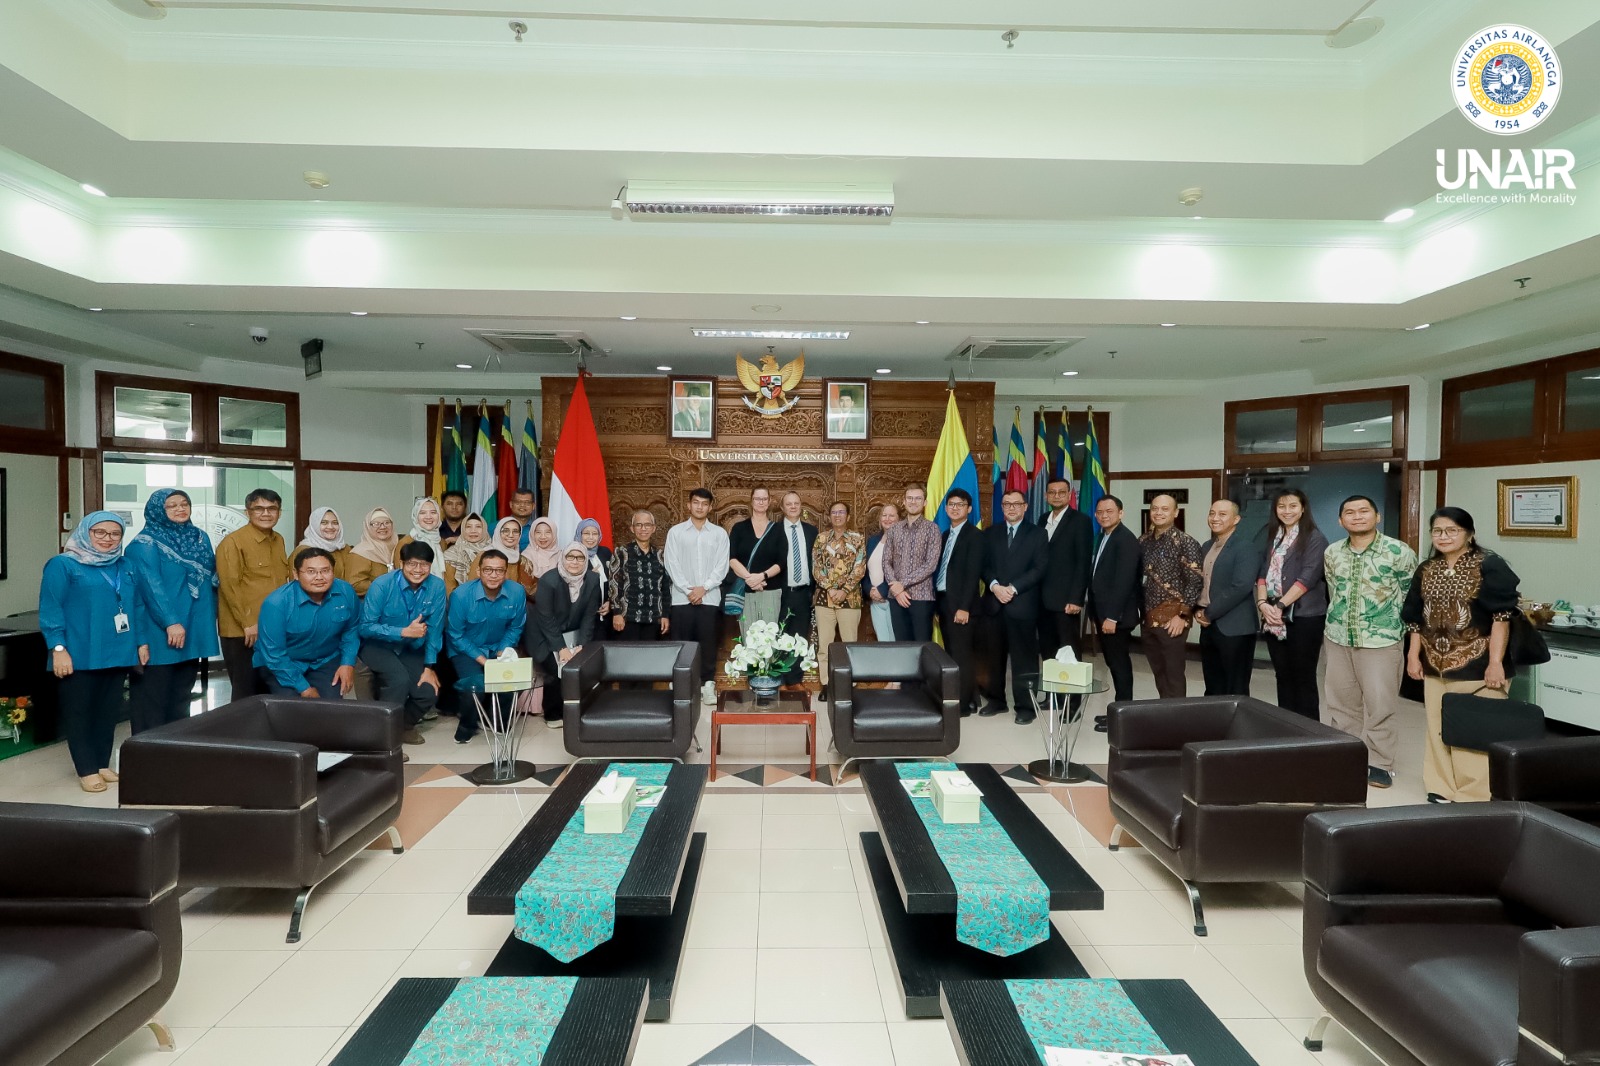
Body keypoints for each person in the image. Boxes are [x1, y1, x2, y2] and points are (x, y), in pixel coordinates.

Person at [1402, 506, 1518, 804]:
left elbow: (1501, 618)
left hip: (1479, 664)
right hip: (1434, 664)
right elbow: (1415, 619)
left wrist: (1495, 664)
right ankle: (1440, 787)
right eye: (1438, 531)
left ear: (1470, 534)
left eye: (1452, 530)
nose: (1444, 536)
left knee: (1475, 730)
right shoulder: (1426, 569)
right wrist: (1413, 656)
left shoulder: (1489, 566)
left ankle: (1474, 794)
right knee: (1437, 727)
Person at [1324, 495, 1418, 789]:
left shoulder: (1398, 552)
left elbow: (1410, 597)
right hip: (1338, 637)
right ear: (1341, 521)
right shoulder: (1332, 552)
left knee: (1380, 704)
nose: (1357, 516)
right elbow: (1333, 589)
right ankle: (1346, 755)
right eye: (1349, 513)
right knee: (1340, 704)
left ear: (1377, 517)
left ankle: (1379, 762)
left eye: (1364, 511)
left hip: (1381, 640)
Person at [41, 512, 140, 792]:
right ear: (86, 532)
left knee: (108, 711)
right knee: (80, 712)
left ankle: (101, 763)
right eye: (100, 533)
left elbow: (137, 607)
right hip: (78, 652)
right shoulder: (63, 565)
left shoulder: (125, 565)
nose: (108, 539)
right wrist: (57, 648)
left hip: (117, 650)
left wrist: (140, 643)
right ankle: (86, 768)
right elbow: (51, 608)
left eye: (115, 534)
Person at [126, 489, 219, 733]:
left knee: (181, 696)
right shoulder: (144, 544)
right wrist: (170, 622)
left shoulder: (199, 538)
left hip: (192, 628)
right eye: (172, 505)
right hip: (160, 631)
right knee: (153, 699)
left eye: (184, 503)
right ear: (158, 510)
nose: (180, 509)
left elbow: (211, 577)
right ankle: (148, 759)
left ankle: (176, 755)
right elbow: (151, 587)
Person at [359, 541, 447, 745]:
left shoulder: (436, 586)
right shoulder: (382, 585)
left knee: (427, 692)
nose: (418, 570)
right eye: (412, 564)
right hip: (377, 646)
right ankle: (384, 739)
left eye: (424, 565)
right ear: (401, 563)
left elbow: (435, 629)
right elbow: (365, 626)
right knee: (398, 681)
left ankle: (403, 727)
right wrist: (403, 631)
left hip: (411, 648)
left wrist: (429, 666)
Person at [1256, 488, 1329, 719]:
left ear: (1303, 508)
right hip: (1272, 617)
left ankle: (1308, 732)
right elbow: (1261, 573)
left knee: (1303, 676)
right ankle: (1286, 728)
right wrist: (1262, 604)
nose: (1287, 511)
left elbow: (1308, 577)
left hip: (1304, 616)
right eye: (1281, 506)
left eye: (1292, 506)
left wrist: (1279, 606)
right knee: (1282, 675)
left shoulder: (1314, 537)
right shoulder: (1273, 536)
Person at [253, 547, 359, 700]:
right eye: (311, 572)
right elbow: (274, 654)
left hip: (325, 660)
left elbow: (351, 629)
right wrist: (304, 688)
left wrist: (348, 663)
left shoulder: (345, 591)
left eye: (325, 571)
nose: (319, 577)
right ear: (296, 574)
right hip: (283, 664)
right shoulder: (276, 604)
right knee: (295, 709)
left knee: (332, 708)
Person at [980, 490, 1048, 722]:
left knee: (1025, 660)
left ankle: (1026, 707)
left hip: (1023, 604)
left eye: (1016, 504)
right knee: (993, 658)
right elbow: (984, 566)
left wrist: (1013, 588)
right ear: (1002, 506)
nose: (1011, 508)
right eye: (1006, 504)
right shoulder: (991, 533)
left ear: (1025, 507)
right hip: (994, 604)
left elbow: (1039, 569)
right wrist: (995, 586)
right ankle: (996, 701)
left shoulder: (1038, 534)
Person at [446, 549, 527, 743]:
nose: (493, 575)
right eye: (488, 570)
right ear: (478, 572)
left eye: (499, 570)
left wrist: (503, 650)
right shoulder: (461, 595)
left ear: (506, 573)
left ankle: (497, 719)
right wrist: (483, 660)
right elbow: (456, 635)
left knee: (513, 680)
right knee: (474, 687)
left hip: (499, 647)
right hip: (466, 649)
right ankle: (468, 725)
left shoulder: (516, 592)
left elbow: (516, 627)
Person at [215, 488, 290, 699]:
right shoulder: (233, 542)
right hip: (244, 631)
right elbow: (230, 587)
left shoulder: (278, 540)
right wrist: (247, 622)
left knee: (270, 687)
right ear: (248, 512)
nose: (266, 513)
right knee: (246, 691)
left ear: (279, 512)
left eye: (272, 508)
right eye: (259, 508)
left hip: (270, 627)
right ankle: (240, 733)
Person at [526, 542, 602, 727]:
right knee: (554, 670)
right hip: (542, 634)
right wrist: (561, 648)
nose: (575, 562)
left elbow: (589, 616)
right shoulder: (548, 580)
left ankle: (575, 711)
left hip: (572, 633)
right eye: (570, 557)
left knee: (579, 665)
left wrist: (581, 646)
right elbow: (546, 618)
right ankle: (552, 714)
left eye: (580, 557)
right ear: (563, 558)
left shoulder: (592, 580)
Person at [1138, 494, 1203, 699]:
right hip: (1148, 617)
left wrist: (1183, 616)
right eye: (1155, 508)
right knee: (1159, 672)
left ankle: (1178, 722)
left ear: (1175, 512)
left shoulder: (1186, 542)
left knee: (1173, 674)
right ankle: (1164, 714)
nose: (1159, 513)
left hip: (1173, 619)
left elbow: (1195, 581)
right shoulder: (1143, 541)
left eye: (1165, 509)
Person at [664, 487, 730, 679]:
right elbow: (671, 563)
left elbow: (722, 565)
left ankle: (707, 685)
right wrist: (688, 590)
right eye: (696, 502)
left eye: (704, 504)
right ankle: (680, 686)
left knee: (708, 646)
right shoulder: (676, 532)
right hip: (681, 599)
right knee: (681, 647)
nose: (700, 507)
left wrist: (705, 588)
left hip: (709, 599)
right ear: (688, 505)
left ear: (710, 507)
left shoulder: (719, 534)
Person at [1195, 499, 1259, 697]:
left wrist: (1209, 613)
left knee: (1235, 687)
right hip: (1209, 626)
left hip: (1235, 628)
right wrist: (1197, 609)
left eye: (1222, 514)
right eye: (1212, 513)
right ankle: (1214, 725)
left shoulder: (1246, 547)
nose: (1215, 518)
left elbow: (1241, 586)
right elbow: (1202, 583)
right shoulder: (1207, 546)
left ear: (1236, 519)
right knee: (1213, 683)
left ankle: (1237, 727)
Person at [1087, 495, 1141, 725]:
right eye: (1099, 512)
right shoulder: (1104, 536)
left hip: (1115, 617)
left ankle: (1123, 716)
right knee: (1113, 663)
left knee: (1119, 665)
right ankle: (1118, 712)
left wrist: (1111, 616)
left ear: (1121, 513)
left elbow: (1124, 581)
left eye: (1109, 511)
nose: (1103, 515)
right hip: (1103, 614)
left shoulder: (1125, 539)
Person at [934, 489, 983, 717]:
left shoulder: (974, 536)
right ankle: (970, 698)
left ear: (969, 509)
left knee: (962, 655)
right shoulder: (944, 535)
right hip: (944, 601)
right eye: (951, 504)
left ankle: (962, 705)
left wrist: (964, 607)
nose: (955, 508)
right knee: (952, 652)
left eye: (960, 504)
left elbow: (973, 575)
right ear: (946, 509)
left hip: (962, 605)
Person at [1037, 478, 1094, 667]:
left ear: (1069, 495)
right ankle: (1052, 697)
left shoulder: (1081, 521)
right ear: (1046, 496)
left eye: (1061, 492)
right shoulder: (1042, 519)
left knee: (1068, 651)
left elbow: (1083, 562)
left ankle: (1071, 698)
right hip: (1042, 600)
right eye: (1052, 492)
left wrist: (1076, 598)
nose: (1056, 496)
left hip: (1066, 601)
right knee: (1047, 650)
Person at [812, 499, 866, 696]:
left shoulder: (857, 539)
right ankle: (826, 684)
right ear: (829, 516)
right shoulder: (821, 539)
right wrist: (830, 588)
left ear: (848, 516)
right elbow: (816, 569)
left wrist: (844, 590)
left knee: (849, 644)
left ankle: (847, 685)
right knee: (825, 644)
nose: (837, 515)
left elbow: (860, 568)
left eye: (841, 512)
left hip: (850, 599)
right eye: (834, 512)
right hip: (824, 599)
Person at [882, 483, 940, 642]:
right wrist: (896, 588)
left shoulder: (932, 529)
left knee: (922, 647)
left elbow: (931, 564)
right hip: (896, 597)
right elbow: (886, 561)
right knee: (901, 645)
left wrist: (902, 584)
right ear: (904, 501)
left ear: (925, 502)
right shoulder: (894, 529)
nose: (913, 502)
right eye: (910, 498)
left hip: (921, 597)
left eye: (918, 498)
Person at [727, 487, 785, 633]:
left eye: (764, 499)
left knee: (770, 639)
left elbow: (781, 562)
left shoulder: (778, 529)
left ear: (769, 501)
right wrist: (750, 579)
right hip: (746, 591)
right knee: (749, 638)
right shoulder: (739, 528)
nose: (761, 502)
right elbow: (731, 559)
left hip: (771, 590)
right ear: (751, 501)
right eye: (758, 499)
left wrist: (761, 576)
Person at [776, 492, 819, 684]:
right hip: (781, 593)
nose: (793, 507)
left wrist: (815, 591)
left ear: (801, 506)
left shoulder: (812, 531)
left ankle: (794, 681)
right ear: (782, 508)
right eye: (788, 504)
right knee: (778, 635)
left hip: (803, 593)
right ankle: (778, 678)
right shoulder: (774, 530)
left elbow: (817, 563)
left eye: (796, 503)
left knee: (800, 637)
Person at [610, 510, 672, 641]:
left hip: (654, 619)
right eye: (638, 525)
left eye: (647, 525)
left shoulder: (661, 555)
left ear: (653, 528)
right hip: (627, 619)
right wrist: (617, 613)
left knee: (650, 660)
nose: (643, 529)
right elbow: (614, 585)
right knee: (628, 659)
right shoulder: (622, 553)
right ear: (632, 528)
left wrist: (665, 615)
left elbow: (665, 588)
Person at [474, 517, 539, 601]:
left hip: (515, 607)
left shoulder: (524, 561)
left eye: (515, 531)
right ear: (497, 532)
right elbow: (473, 587)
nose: (511, 535)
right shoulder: (484, 556)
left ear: (520, 535)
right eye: (505, 530)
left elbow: (531, 591)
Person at [863, 503, 900, 640]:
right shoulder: (873, 541)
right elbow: (865, 571)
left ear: (899, 519)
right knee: (883, 642)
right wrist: (870, 591)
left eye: (891, 515)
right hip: (875, 602)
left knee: (896, 643)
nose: (887, 518)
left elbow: (900, 571)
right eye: (884, 515)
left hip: (894, 599)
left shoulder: (902, 540)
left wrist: (882, 590)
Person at [345, 508, 400, 597]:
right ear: (367, 527)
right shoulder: (360, 553)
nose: (382, 527)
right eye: (376, 524)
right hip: (370, 603)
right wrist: (386, 588)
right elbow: (355, 584)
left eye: (387, 523)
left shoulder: (399, 546)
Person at [575, 518, 614, 638]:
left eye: (595, 533)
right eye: (586, 533)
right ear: (579, 534)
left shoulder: (605, 552)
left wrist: (610, 602)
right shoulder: (573, 555)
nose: (591, 537)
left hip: (608, 615)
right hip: (584, 617)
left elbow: (615, 580)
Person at [396, 496, 446, 578]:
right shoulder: (406, 542)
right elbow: (399, 574)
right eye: (422, 513)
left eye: (433, 512)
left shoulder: (441, 542)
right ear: (415, 516)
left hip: (438, 588)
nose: (428, 517)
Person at [443, 513, 491, 594]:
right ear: (462, 529)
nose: (473, 531)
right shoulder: (451, 554)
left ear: (485, 529)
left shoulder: (493, 552)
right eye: (468, 527)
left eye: (478, 526)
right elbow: (449, 587)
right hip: (459, 601)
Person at [299, 506, 349, 580]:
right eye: (324, 523)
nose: (330, 527)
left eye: (335, 523)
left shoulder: (344, 549)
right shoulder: (303, 551)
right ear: (314, 525)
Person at [522, 517, 561, 583]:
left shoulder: (561, 555)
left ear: (554, 534)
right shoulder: (526, 556)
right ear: (532, 534)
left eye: (548, 532)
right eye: (538, 532)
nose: (543, 536)